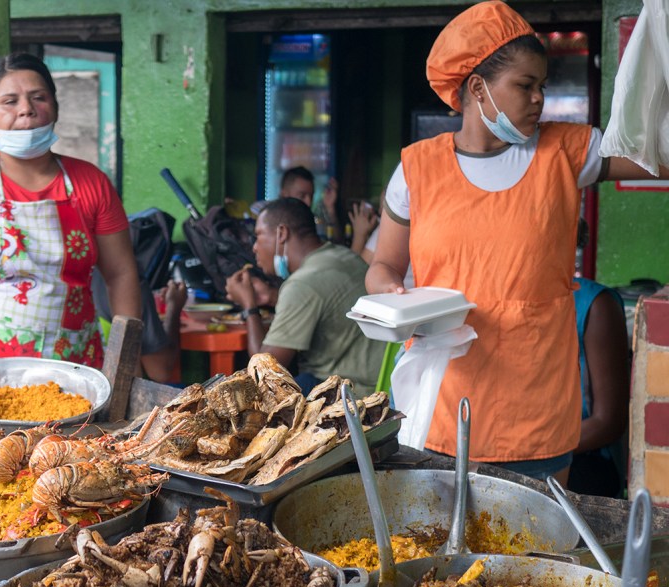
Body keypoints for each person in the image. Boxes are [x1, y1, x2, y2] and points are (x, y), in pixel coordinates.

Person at [364, 1, 667, 484]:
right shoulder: (417, 169)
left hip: (537, 411)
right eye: (525, 85)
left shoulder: (568, 151)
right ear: (477, 88)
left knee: (536, 531)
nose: (539, 99)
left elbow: (658, 159)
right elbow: (383, 267)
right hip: (443, 404)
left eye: (542, 86)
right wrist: (391, 295)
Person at [0, 53, 141, 380]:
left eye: (38, 98)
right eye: (10, 101)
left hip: (74, 372)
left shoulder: (91, 183)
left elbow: (120, 273)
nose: (26, 109)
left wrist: (127, 369)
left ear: (55, 107)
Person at [225, 197, 385, 395]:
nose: (255, 247)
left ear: (282, 233)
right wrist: (270, 296)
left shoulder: (301, 283)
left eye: (258, 236)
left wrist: (248, 304)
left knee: (256, 395)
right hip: (378, 383)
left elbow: (263, 369)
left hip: (349, 393)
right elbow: (323, 300)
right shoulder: (342, 256)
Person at [568, 277, 629, 498]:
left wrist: (533, 449)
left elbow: (608, 423)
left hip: (587, 458)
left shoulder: (596, 304)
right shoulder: (498, 298)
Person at [92, 273, 187, 383]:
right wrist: (174, 306)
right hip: (112, 387)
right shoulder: (128, 283)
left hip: (85, 384)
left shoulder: (86, 274)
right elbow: (160, 371)